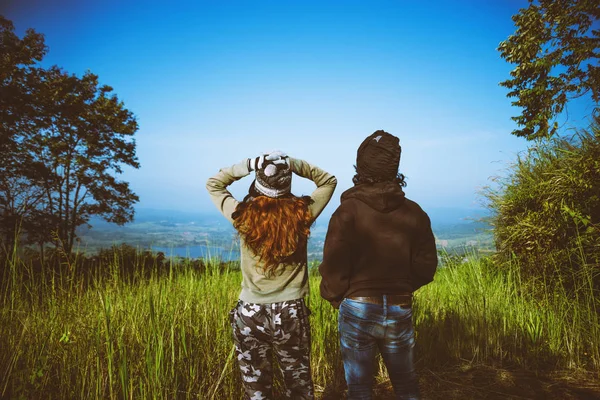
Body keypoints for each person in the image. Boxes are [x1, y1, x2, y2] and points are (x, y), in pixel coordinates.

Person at [206, 151, 337, 400]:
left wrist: (250, 164)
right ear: (287, 186)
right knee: (298, 384)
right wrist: (292, 164)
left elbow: (214, 183)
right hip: (290, 311)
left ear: (258, 185)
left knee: (255, 388)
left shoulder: (242, 215)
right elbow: (328, 181)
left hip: (250, 312)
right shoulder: (303, 213)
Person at [319, 130, 438, 400]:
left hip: (357, 306)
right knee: (406, 382)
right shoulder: (414, 212)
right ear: (395, 168)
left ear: (360, 167)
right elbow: (426, 265)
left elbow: (333, 267)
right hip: (399, 304)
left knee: (360, 388)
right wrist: (402, 287)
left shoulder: (347, 212)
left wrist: (337, 297)